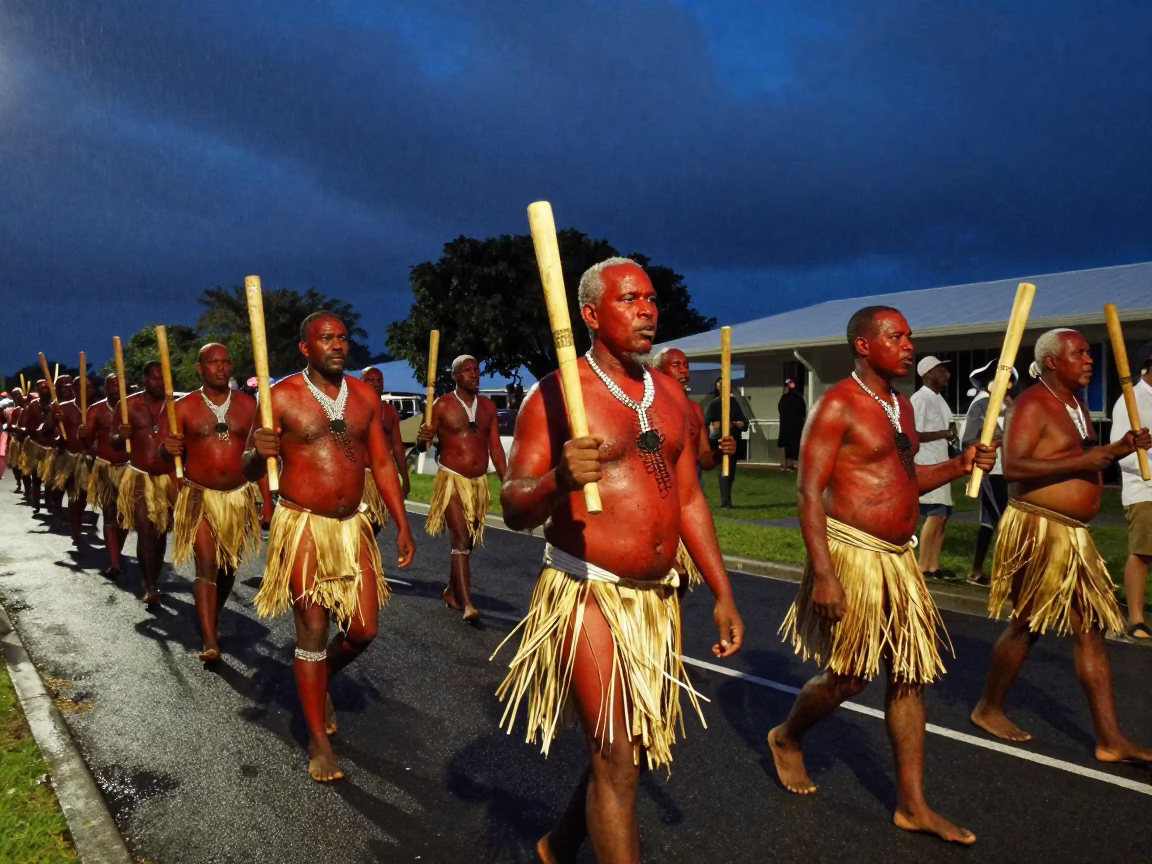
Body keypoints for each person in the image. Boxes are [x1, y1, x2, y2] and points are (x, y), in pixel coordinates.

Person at [496, 258, 744, 864]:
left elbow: (688, 499)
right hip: (586, 592)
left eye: (650, 298)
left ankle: (559, 843)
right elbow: (512, 505)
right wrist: (558, 478)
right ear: (589, 314)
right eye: (629, 299)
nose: (647, 310)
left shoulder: (673, 397)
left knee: (622, 747)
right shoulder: (556, 394)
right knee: (619, 758)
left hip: (656, 597)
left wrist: (723, 591)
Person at [770, 306, 994, 845]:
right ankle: (787, 736)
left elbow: (904, 479)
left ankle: (912, 804)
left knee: (909, 674)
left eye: (910, 336)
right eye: (896, 336)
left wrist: (961, 465)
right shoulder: (837, 404)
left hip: (898, 559)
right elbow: (807, 492)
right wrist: (823, 573)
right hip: (852, 554)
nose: (909, 345)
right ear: (864, 346)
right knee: (848, 676)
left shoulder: (899, 406)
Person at [245, 311, 415, 783]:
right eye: (326, 338)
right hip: (302, 523)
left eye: (342, 337)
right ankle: (317, 740)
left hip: (352, 524)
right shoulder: (279, 397)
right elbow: (247, 468)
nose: (337, 345)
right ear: (305, 347)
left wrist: (402, 523)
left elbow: (380, 462)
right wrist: (256, 453)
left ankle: (321, 681)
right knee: (313, 629)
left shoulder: (364, 396)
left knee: (363, 630)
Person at [970, 328, 1152, 762]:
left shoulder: (1074, 405)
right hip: (1039, 528)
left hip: (1072, 534)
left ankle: (1109, 739)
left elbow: (1080, 453)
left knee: (1083, 628)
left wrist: (1119, 447)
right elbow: (1014, 465)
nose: (1089, 360)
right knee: (1027, 625)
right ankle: (988, 707)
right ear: (1053, 361)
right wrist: (1090, 459)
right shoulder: (1033, 402)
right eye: (1080, 353)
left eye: (1089, 353)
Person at [161, 344, 260, 663]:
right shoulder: (183, 407)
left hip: (238, 496)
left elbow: (260, 460)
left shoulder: (249, 406)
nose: (221, 367)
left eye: (226, 361)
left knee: (228, 566)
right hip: (199, 495)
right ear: (199, 368)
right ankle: (208, 639)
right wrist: (168, 448)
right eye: (213, 362)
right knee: (206, 564)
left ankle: (211, 614)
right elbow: (166, 456)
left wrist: (266, 502)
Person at [417, 355, 506, 622]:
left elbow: (496, 448)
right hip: (452, 479)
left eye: (476, 370)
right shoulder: (441, 405)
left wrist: (507, 482)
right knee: (459, 539)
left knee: (468, 542)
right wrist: (423, 438)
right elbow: (424, 447)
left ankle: (452, 592)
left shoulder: (488, 407)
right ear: (455, 376)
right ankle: (467, 604)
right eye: (467, 370)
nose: (474, 374)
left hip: (478, 484)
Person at [651, 346, 737, 587]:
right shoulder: (648, 408)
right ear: (659, 371)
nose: (684, 370)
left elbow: (704, 461)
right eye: (676, 365)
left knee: (680, 583)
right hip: (657, 509)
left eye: (686, 365)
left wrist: (721, 452)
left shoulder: (695, 410)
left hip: (686, 505)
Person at [113, 360, 177, 605]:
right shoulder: (128, 405)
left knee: (160, 533)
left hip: (167, 478)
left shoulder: (177, 406)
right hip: (139, 477)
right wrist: (122, 435)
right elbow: (115, 442)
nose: (159, 382)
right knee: (146, 531)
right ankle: (149, 584)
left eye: (163, 378)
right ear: (144, 380)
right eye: (154, 378)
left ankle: (154, 577)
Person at [960, 359, 1018, 586]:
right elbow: (969, 439)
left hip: (1004, 470)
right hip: (992, 471)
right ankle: (1009, 575)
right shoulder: (983, 403)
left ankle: (976, 571)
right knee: (1003, 521)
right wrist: (1002, 437)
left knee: (988, 522)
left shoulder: (1004, 404)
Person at [1110, 340, 1152, 642]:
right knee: (1143, 553)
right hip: (1144, 489)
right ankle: (1136, 618)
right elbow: (1120, 450)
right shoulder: (1131, 399)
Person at [911, 356, 957, 581]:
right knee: (935, 514)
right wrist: (946, 434)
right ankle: (922, 566)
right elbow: (913, 433)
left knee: (944, 516)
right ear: (927, 374)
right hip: (927, 463)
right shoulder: (920, 399)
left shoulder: (938, 399)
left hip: (941, 462)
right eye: (941, 370)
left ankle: (933, 566)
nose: (946, 374)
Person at [82, 375, 130, 579]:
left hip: (129, 469)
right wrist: (83, 435)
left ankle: (116, 552)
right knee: (110, 513)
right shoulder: (96, 410)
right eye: (112, 384)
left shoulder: (134, 407)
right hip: (106, 468)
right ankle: (114, 562)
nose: (117, 388)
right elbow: (87, 442)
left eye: (120, 384)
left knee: (125, 516)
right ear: (104, 388)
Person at [359, 366, 411, 531]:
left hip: (382, 478)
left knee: (374, 528)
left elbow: (397, 446)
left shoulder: (389, 412)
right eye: (371, 380)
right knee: (360, 529)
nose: (376, 383)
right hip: (359, 478)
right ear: (362, 382)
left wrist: (405, 478)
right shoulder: (352, 408)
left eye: (379, 380)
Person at [47, 376, 90, 546]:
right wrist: (53, 419)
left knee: (80, 496)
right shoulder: (59, 408)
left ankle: (76, 526)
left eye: (90, 387)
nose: (65, 389)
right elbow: (45, 431)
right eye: (62, 387)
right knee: (62, 489)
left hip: (87, 459)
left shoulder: (95, 408)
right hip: (66, 456)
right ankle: (60, 513)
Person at [703, 376, 747, 507]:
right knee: (724, 470)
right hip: (719, 442)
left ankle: (727, 499)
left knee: (730, 471)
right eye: (720, 387)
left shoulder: (734, 403)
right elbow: (706, 423)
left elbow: (744, 423)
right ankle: (725, 501)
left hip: (733, 442)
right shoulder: (714, 404)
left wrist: (738, 424)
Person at [777, 378, 806, 471]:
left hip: (785, 426)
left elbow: (780, 410)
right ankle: (793, 465)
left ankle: (784, 465)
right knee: (795, 445)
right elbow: (803, 414)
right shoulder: (799, 399)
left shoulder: (784, 398)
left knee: (785, 445)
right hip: (796, 427)